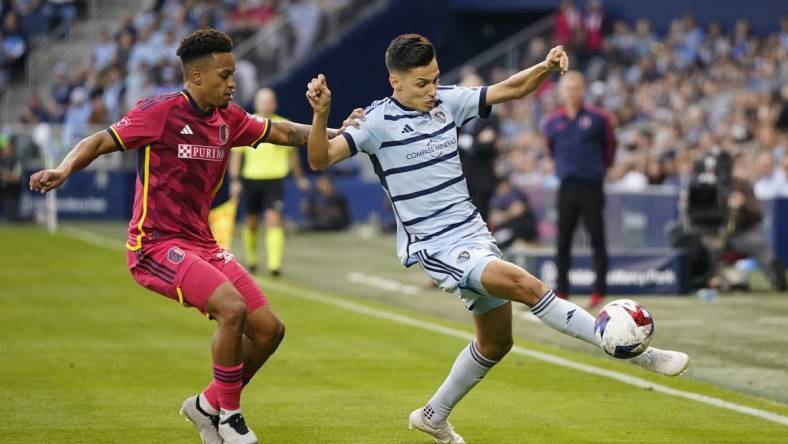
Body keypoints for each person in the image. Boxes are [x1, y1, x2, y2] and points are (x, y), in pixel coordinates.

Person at [304, 34, 689, 444]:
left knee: (496, 342)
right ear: (394, 81)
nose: (432, 90)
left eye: (435, 79)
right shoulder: (375, 122)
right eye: (422, 83)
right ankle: (626, 345)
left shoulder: (447, 103)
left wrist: (544, 67)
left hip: (474, 233)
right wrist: (321, 114)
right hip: (436, 245)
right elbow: (319, 158)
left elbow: (511, 89)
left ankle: (433, 416)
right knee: (527, 285)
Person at [29, 28, 363, 444]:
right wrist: (63, 168)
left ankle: (206, 405)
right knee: (232, 308)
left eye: (233, 74)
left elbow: (282, 133)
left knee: (269, 330)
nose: (232, 83)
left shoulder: (229, 119)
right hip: (155, 244)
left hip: (202, 244)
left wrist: (337, 131)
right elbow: (99, 140)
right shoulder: (161, 112)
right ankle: (230, 417)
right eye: (224, 75)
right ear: (197, 77)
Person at [543, 71, 615, 308]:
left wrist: (597, 168)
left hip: (592, 186)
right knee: (563, 239)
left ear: (583, 89)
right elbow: (551, 150)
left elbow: (610, 148)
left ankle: (599, 291)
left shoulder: (598, 118)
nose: (572, 92)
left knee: (597, 238)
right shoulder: (553, 122)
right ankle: (562, 290)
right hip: (567, 186)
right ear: (561, 91)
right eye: (568, 87)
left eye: (576, 87)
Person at [229, 87, 310, 277]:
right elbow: (236, 156)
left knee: (274, 220)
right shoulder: (246, 123)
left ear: (274, 103)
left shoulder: (284, 125)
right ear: (256, 102)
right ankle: (252, 260)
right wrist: (234, 180)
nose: (265, 104)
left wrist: (299, 178)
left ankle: (274, 265)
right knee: (251, 222)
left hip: (274, 179)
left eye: (269, 100)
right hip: (251, 179)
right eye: (262, 100)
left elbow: (293, 156)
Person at [725, 177, 787, 291]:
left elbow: (757, 215)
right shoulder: (717, 187)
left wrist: (742, 207)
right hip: (720, 235)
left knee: (759, 244)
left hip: (741, 234)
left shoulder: (744, 188)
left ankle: (776, 275)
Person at [487, 177, 538, 250]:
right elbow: (493, 217)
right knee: (495, 242)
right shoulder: (497, 197)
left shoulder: (515, 194)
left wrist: (504, 216)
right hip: (508, 230)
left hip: (523, 229)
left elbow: (518, 210)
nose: (499, 189)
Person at [0, 136, 23, 222]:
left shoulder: (16, 160)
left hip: (10, 191)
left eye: (9, 146)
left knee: (12, 218)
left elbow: (15, 178)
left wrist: (4, 173)